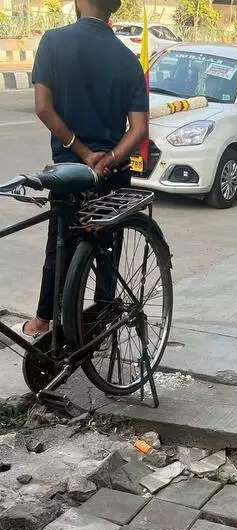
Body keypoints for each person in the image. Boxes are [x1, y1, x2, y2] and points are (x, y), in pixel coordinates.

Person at [17, 0, 148, 340]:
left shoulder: (54, 41)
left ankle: (43, 321)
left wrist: (83, 152)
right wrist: (109, 158)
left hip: (71, 170)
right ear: (113, 9)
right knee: (107, 249)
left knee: (59, 247)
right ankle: (102, 322)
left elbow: (43, 108)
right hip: (112, 173)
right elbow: (139, 129)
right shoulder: (128, 59)